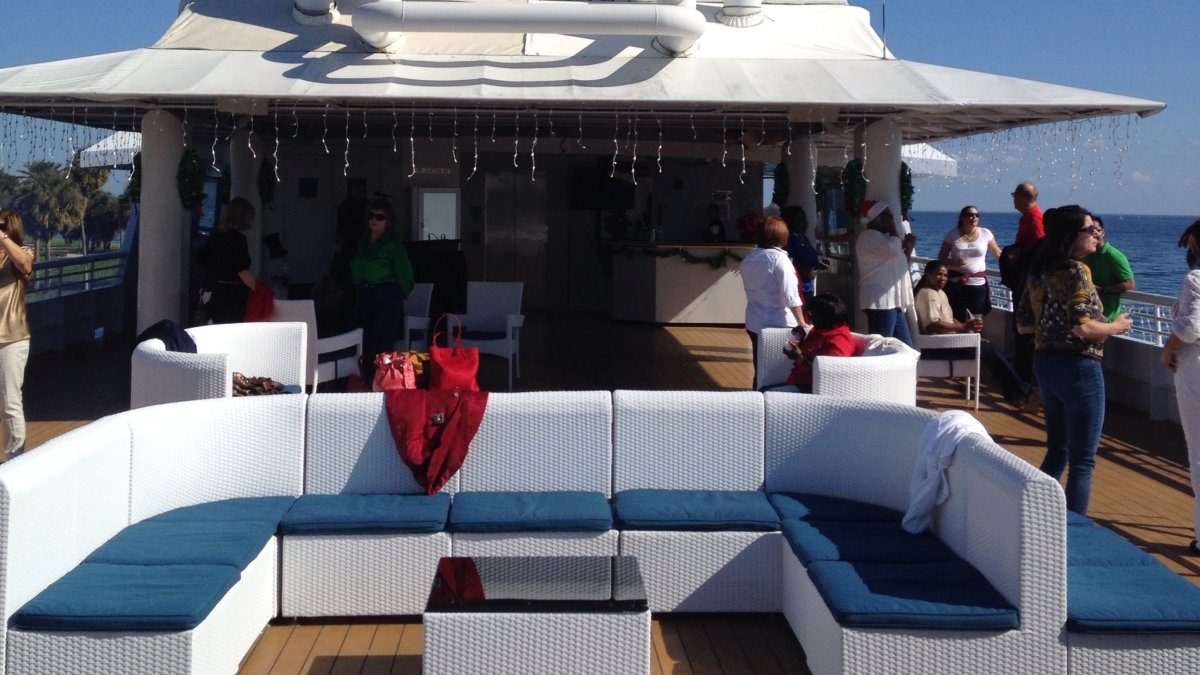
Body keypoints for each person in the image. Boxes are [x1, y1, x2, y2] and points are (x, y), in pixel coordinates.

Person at [1016, 205, 1132, 515]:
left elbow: (1024, 324)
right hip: (1079, 367)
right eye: (1089, 229)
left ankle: (1035, 517)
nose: (1096, 234)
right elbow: (1084, 327)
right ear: (1071, 235)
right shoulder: (1077, 271)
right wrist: (1117, 326)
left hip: (1045, 364)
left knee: (1057, 451)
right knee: (1083, 459)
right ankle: (1076, 531)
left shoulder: (1039, 270)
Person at [915, 260, 1036, 410]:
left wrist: (966, 328)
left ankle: (1017, 393)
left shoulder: (939, 293)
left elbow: (947, 318)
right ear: (928, 275)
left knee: (991, 349)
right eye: (938, 274)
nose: (943, 278)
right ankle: (1024, 391)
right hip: (940, 346)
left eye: (945, 275)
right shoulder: (928, 294)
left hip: (948, 340)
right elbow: (933, 324)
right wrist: (963, 327)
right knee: (990, 351)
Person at [1160, 218, 1200, 554]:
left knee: (1199, 452)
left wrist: (1169, 349)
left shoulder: (1196, 278)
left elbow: (1190, 328)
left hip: (1196, 367)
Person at [351, 198, 415, 381]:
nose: (375, 220)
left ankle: (384, 382)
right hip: (364, 295)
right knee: (363, 339)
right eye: (372, 215)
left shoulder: (394, 246)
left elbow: (405, 275)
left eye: (380, 217)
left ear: (387, 222)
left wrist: (397, 297)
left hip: (386, 296)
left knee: (383, 341)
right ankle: (365, 380)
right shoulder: (362, 244)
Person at [741, 215, 808, 386]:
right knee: (779, 371)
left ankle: (757, 399)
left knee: (760, 369)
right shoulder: (780, 259)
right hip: (779, 322)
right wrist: (802, 323)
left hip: (754, 319)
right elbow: (790, 295)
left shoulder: (749, 258)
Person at [855, 200, 915, 346]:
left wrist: (908, 249)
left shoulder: (882, 239)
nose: (892, 218)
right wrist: (893, 228)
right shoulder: (868, 237)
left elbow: (899, 263)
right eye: (889, 215)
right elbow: (891, 250)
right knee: (880, 346)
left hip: (892, 301)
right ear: (879, 217)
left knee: (905, 347)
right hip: (880, 301)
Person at [769, 293, 855, 393]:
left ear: (826, 316)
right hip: (796, 382)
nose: (810, 318)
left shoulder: (839, 340)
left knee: (764, 395)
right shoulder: (820, 330)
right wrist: (799, 343)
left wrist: (799, 357)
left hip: (811, 388)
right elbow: (811, 353)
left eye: (813, 314)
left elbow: (828, 374)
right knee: (762, 392)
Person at [0, 211, 33, 459]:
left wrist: (3, 239)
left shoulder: (24, 252)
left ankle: (16, 459)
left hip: (12, 338)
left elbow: (24, 264)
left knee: (10, 402)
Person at [195, 197, 260, 324]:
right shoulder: (238, 239)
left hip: (219, 291)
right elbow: (242, 271)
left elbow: (200, 256)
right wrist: (261, 291)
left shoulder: (218, 236)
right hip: (235, 295)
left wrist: (219, 268)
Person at [1007, 182, 1044, 382]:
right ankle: (1022, 374)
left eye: (1014, 195)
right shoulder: (1027, 218)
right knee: (1020, 327)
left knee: (1025, 327)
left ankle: (1026, 378)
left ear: (1021, 197)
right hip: (1023, 280)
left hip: (1029, 283)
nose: (1013, 199)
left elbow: (1039, 250)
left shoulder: (1035, 218)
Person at [938, 205, 1001, 318]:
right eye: (970, 215)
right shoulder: (952, 234)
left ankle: (976, 336)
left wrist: (1012, 267)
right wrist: (954, 263)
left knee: (976, 319)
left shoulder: (985, 233)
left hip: (977, 284)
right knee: (956, 317)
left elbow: (998, 254)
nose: (974, 217)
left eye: (977, 215)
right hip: (956, 284)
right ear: (962, 217)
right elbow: (941, 258)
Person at [1083, 216, 1135, 321]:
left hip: (1106, 319)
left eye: (1097, 229)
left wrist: (1103, 289)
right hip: (1086, 316)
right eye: (1090, 230)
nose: (1094, 233)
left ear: (1103, 232)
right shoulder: (1084, 254)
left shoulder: (1114, 256)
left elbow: (1129, 284)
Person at [781, 205, 828, 301]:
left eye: (802, 218)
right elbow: (789, 260)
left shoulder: (802, 237)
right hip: (798, 285)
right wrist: (806, 270)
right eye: (796, 218)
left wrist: (818, 264)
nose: (801, 221)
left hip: (809, 283)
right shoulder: (788, 238)